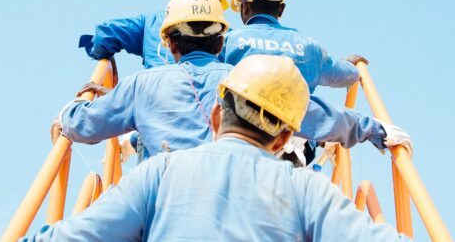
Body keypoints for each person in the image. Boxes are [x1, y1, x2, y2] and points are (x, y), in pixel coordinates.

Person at [26, 55, 411, 241]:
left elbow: (74, 237)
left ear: (214, 116)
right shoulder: (308, 190)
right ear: (282, 140)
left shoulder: (158, 174)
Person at [56, 0, 410, 161]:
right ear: (221, 37)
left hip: (161, 211)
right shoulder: (250, 80)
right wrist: (375, 129)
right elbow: (316, 115)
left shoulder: (140, 86)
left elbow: (82, 125)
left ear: (168, 40)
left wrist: (75, 106)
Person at [221, 0, 367, 164]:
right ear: (281, 9)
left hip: (239, 146)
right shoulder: (309, 47)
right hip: (294, 147)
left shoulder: (227, 43)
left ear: (243, 7)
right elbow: (346, 76)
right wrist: (351, 65)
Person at [78, 0, 229, 69]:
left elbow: (105, 35)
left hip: (152, 102)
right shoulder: (224, 34)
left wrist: (105, 59)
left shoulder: (150, 23)